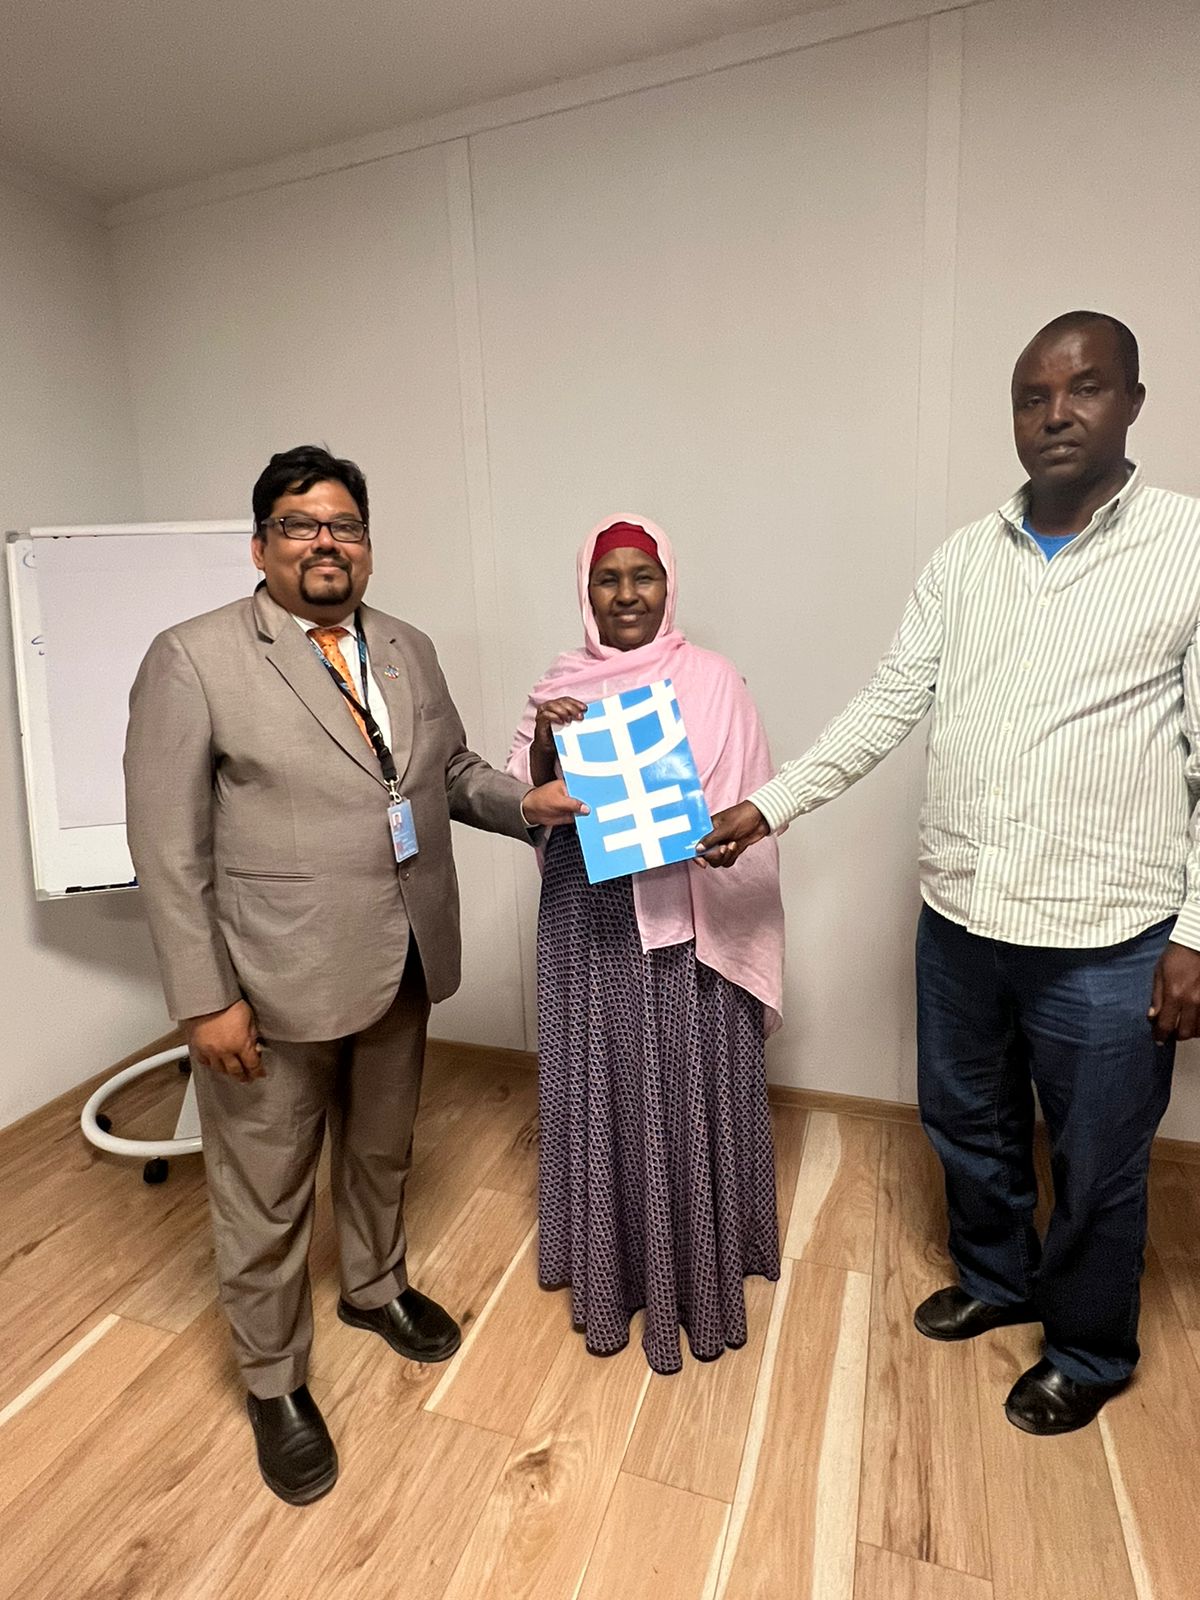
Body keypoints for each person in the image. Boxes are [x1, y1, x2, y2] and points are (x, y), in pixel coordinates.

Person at [697, 312, 1200, 1435]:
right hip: (963, 921)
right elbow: (887, 703)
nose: (1056, 413)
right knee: (964, 1121)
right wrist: (767, 806)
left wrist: (1198, 932)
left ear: (1133, 403)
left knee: (1100, 1161)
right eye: (1032, 395)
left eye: (1084, 388)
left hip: (1111, 937)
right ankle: (997, 1276)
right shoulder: (965, 559)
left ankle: (1087, 1346)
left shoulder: (1189, 546)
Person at [124, 445, 581, 1504]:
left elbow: (449, 772)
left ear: (367, 545)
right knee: (265, 1189)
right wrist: (204, 999)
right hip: (270, 980)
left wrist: (531, 806)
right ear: (262, 545)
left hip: (403, 954)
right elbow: (168, 844)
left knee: (380, 1153)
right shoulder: (193, 659)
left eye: (345, 524)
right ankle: (274, 1380)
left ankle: (374, 1288)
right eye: (300, 523)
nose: (326, 541)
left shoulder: (407, 649)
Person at [508, 517, 785, 1374]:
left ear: (668, 586)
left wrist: (701, 832)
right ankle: (611, 1257)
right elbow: (520, 795)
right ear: (585, 591)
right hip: (589, 921)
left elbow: (750, 797)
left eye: (644, 577)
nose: (626, 595)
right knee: (609, 1081)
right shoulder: (560, 687)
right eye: (607, 579)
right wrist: (551, 753)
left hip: (689, 919)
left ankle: (698, 1258)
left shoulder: (714, 681)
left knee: (681, 1080)